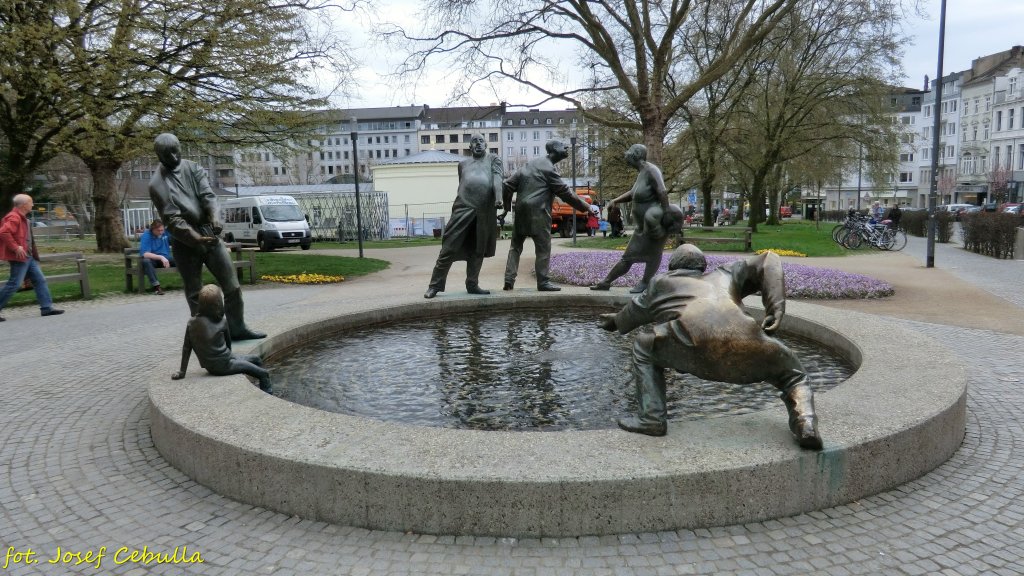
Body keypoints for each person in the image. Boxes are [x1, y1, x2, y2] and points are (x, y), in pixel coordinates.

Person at [599, 245, 823, 450]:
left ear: (672, 267)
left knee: (643, 344)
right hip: (751, 344)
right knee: (795, 377)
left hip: (691, 347)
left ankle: (651, 418)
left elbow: (634, 312)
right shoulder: (725, 274)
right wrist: (776, 307)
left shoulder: (661, 282)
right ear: (702, 267)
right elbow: (769, 260)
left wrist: (615, 321)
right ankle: (805, 423)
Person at [148, 133, 265, 340]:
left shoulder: (192, 167)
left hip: (209, 233)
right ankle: (207, 337)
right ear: (158, 155)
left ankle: (237, 328)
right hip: (184, 241)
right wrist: (194, 238)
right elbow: (172, 218)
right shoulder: (157, 184)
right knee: (195, 293)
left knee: (232, 287)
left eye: (176, 151)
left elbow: (208, 195)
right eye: (168, 154)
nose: (174, 157)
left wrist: (215, 217)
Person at [500, 140, 595, 291]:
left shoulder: (530, 165)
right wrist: (587, 207)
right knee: (543, 247)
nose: (566, 147)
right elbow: (566, 193)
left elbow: (507, 185)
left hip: (521, 212)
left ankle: (509, 280)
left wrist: (506, 208)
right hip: (538, 212)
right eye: (563, 146)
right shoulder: (549, 169)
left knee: (515, 246)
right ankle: (543, 282)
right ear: (554, 149)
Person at [590, 144, 680, 294]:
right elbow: (633, 193)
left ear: (635, 155)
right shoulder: (641, 172)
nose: (626, 158)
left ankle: (644, 282)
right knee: (628, 257)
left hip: (653, 223)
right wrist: (615, 200)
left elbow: (662, 192)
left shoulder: (651, 170)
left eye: (629, 155)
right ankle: (606, 282)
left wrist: (666, 215)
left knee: (651, 255)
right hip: (642, 226)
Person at [425, 134, 503, 298]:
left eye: (481, 141)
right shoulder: (463, 164)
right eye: (474, 142)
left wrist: (498, 198)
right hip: (463, 207)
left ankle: (472, 284)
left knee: (478, 249)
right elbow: (462, 184)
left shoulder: (493, 159)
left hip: (484, 210)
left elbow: (497, 178)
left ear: (486, 144)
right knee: (449, 246)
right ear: (470, 147)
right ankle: (435, 285)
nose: (478, 144)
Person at [172, 284, 271, 392]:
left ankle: (254, 384)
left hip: (211, 366)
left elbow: (187, 348)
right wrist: (233, 360)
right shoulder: (222, 321)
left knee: (255, 359)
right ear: (219, 304)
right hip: (225, 365)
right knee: (263, 374)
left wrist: (182, 371)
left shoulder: (191, 323)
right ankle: (267, 394)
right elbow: (228, 345)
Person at [0, 194, 65, 322]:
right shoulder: (14, 217)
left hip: (28, 257)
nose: (33, 205)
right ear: (24, 205)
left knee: (39, 280)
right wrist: (15, 247)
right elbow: (3, 232)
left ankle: (46, 308)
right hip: (20, 257)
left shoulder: (22, 218)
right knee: (14, 284)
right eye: (31, 202)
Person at [139, 219, 175, 295]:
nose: (161, 232)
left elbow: (176, 241)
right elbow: (145, 254)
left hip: (166, 259)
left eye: (162, 230)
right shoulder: (146, 236)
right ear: (153, 229)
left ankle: (191, 283)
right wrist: (161, 257)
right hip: (153, 260)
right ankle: (156, 287)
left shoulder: (165, 233)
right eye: (158, 230)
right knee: (146, 261)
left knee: (183, 260)